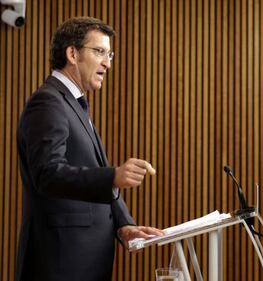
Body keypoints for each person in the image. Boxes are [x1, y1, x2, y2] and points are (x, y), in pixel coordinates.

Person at [15, 17, 163, 281]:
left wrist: (124, 225)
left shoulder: (74, 104)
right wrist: (113, 176)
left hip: (84, 262)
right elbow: (47, 174)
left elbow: (91, 171)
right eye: (99, 52)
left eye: (110, 54)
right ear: (72, 53)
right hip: (61, 264)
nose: (107, 63)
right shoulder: (48, 103)